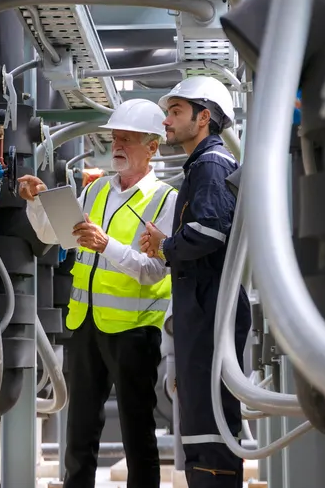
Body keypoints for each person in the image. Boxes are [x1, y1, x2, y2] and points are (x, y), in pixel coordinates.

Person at [17, 99, 178, 488]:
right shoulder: (95, 192)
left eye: (128, 139)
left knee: (137, 432)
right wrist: (38, 203)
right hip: (86, 323)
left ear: (152, 146)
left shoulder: (165, 201)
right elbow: (54, 235)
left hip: (134, 330)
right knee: (80, 430)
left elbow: (154, 270)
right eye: (114, 137)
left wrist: (106, 246)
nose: (117, 145)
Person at [139, 76, 250, 488]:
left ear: (204, 118)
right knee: (203, 418)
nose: (166, 120)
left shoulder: (210, 164)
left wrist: (165, 245)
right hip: (204, 307)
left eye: (176, 112)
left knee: (211, 419)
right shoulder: (203, 165)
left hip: (210, 307)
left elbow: (209, 233)